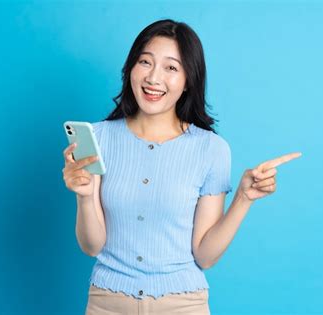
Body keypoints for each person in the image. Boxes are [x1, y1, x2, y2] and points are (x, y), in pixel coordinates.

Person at [62, 19, 302, 315]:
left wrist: (243, 199)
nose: (153, 78)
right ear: (130, 69)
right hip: (107, 303)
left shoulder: (211, 149)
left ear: (189, 79)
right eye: (145, 62)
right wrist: (84, 196)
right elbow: (92, 246)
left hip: (182, 305)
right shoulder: (99, 138)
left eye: (171, 68)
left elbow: (205, 256)